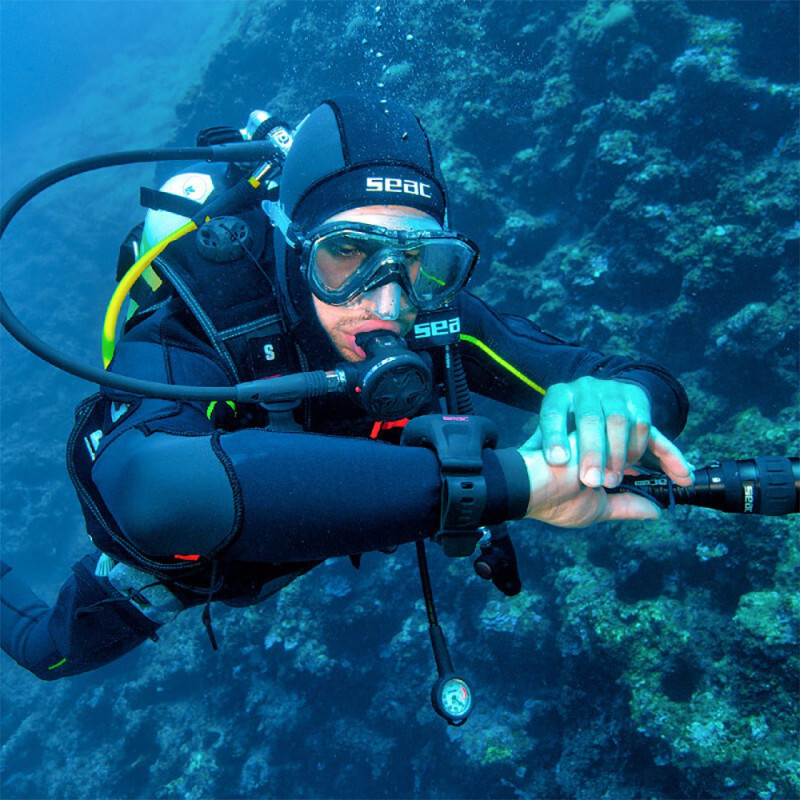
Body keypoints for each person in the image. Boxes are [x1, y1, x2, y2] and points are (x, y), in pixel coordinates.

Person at [0, 94, 692, 682]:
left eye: (421, 260)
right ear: (293, 243)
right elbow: (157, 492)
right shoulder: (206, 316)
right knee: (48, 654)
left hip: (326, 524)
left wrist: (623, 401)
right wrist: (510, 483)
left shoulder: (431, 313)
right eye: (346, 255)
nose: (387, 303)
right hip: (195, 566)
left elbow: (646, 378)